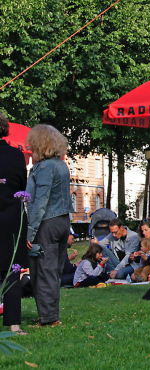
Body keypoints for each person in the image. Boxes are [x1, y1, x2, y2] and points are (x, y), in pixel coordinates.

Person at [25, 124, 72, 327]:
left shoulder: (44, 168)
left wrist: (30, 231)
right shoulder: (61, 165)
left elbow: (39, 202)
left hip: (47, 223)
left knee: (42, 270)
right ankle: (49, 313)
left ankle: (49, 318)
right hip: (62, 220)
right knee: (53, 271)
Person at [0, 112, 29, 334]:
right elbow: (22, 185)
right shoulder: (16, 155)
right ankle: (13, 324)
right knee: (11, 270)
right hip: (11, 217)